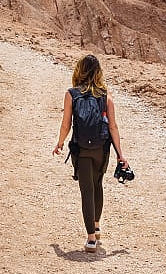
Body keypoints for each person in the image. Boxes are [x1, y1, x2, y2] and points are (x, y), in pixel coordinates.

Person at [52, 54, 127, 253]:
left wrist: (60, 143)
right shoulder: (105, 95)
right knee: (97, 185)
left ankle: (91, 239)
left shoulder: (71, 94)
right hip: (102, 149)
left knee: (87, 191)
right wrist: (120, 154)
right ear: (98, 73)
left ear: (79, 70)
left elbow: (66, 124)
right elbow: (113, 127)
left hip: (82, 149)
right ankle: (96, 225)